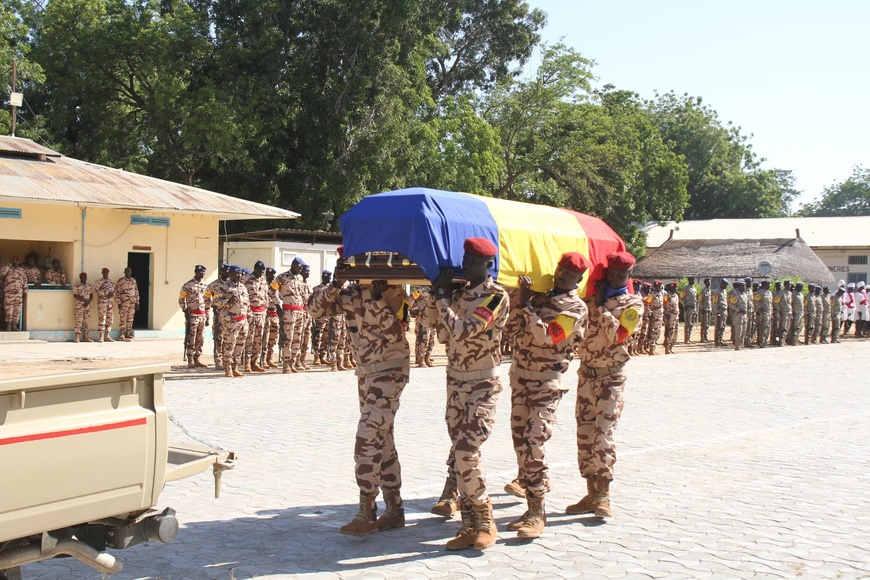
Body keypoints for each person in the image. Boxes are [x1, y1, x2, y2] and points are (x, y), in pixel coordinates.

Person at [422, 237, 509, 551]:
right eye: (466, 259)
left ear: (488, 265)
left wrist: (444, 298)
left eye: (475, 261)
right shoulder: (456, 294)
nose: (468, 265)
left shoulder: (497, 297)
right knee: (460, 457)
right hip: (455, 386)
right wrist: (435, 295)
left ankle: (486, 520)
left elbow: (463, 331)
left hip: (482, 387)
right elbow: (429, 322)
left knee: (466, 454)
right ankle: (469, 526)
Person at [310, 274, 411, 536]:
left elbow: (394, 333)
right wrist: (335, 284)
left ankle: (367, 510)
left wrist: (377, 300)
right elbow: (315, 311)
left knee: (367, 435)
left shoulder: (394, 292)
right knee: (382, 437)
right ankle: (394, 509)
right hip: (366, 373)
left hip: (390, 370)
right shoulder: (348, 293)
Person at [501, 252, 589, 539]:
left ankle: (538, 513)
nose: (563, 276)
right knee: (520, 444)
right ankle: (530, 506)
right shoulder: (538, 299)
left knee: (534, 443)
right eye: (561, 270)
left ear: (579, 279)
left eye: (569, 274)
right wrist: (521, 301)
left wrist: (527, 306)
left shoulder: (575, 309)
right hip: (521, 381)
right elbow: (510, 330)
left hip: (546, 385)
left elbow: (549, 337)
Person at [566, 251, 643, 519]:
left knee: (603, 435)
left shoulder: (633, 304)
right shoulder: (586, 299)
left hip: (612, 378)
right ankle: (590, 491)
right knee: (585, 434)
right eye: (611, 273)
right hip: (586, 375)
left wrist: (601, 307)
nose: (615, 277)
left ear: (628, 276)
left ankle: (604, 494)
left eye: (621, 275)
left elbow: (618, 335)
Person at [214, 265, 250, 378]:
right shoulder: (224, 287)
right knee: (229, 345)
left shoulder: (243, 287)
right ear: (230, 275)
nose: (238, 276)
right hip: (231, 322)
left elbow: (247, 303)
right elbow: (215, 301)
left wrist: (248, 316)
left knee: (240, 346)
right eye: (236, 274)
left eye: (240, 274)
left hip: (243, 321)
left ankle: (235, 367)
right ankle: (228, 368)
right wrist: (228, 301)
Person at [276, 257, 306, 373]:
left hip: (299, 311)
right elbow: (272, 290)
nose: (300, 270)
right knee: (288, 338)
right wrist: (277, 305)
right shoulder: (281, 277)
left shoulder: (299, 278)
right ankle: (286, 364)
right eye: (299, 268)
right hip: (289, 311)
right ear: (293, 265)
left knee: (297, 338)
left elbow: (302, 294)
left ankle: (293, 362)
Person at [179, 265, 210, 368]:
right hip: (192, 315)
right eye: (200, 272)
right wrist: (185, 310)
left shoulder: (206, 285)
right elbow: (181, 299)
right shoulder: (188, 285)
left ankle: (197, 358)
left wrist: (208, 316)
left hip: (202, 315)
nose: (202, 274)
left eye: (203, 272)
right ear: (195, 272)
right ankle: (190, 359)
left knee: (200, 338)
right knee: (191, 337)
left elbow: (208, 301)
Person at [244, 261, 268, 373]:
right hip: (251, 313)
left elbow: (266, 295)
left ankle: (255, 362)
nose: (262, 272)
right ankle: (247, 363)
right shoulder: (245, 279)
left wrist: (265, 308)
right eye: (260, 270)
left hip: (261, 313)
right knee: (250, 338)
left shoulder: (263, 280)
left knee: (259, 339)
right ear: (255, 268)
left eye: (263, 270)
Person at [205, 263, 230, 369]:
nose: (228, 272)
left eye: (229, 270)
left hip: (230, 315)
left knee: (228, 337)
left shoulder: (231, 284)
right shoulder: (213, 285)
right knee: (218, 338)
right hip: (219, 314)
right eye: (226, 270)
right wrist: (211, 306)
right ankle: (218, 360)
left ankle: (227, 359)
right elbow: (206, 297)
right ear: (221, 272)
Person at [311, 270, 333, 365]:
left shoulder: (331, 289)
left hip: (329, 316)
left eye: (329, 277)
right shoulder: (316, 289)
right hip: (320, 316)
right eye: (326, 277)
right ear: (322, 277)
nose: (327, 279)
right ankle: (316, 357)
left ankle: (322, 356)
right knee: (317, 336)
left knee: (326, 337)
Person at [263, 267, 281, 368]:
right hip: (266, 314)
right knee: (264, 338)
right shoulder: (263, 285)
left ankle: (269, 358)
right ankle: (263, 359)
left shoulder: (275, 286)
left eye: (274, 274)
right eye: (270, 274)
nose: (272, 276)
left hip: (275, 314)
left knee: (273, 338)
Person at [412, 286, 436, 367]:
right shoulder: (421, 291)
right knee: (423, 338)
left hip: (433, 318)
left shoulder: (437, 289)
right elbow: (410, 299)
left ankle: (427, 357)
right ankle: (421, 359)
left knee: (432, 339)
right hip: (423, 318)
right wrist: (416, 308)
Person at [3, 257, 28, 331]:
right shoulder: (8, 269)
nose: (16, 262)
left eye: (17, 261)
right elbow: (2, 273)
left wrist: (25, 290)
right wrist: (9, 264)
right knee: (9, 309)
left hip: (18, 293)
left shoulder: (21, 270)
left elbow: (25, 280)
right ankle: (8, 325)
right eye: (14, 260)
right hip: (9, 293)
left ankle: (14, 325)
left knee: (17, 309)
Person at [116, 267, 140, 340]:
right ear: (124, 272)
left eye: (129, 271)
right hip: (124, 302)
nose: (128, 273)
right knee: (123, 318)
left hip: (132, 302)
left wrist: (137, 302)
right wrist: (119, 302)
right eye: (127, 271)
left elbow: (136, 291)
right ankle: (122, 334)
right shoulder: (121, 281)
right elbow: (117, 292)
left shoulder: (133, 280)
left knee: (130, 318)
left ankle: (128, 333)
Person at [94, 268, 116, 342]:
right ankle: (101, 336)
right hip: (102, 303)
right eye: (105, 272)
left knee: (110, 319)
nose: (106, 274)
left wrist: (112, 294)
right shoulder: (99, 282)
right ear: (102, 273)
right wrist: (106, 293)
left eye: (107, 272)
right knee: (102, 318)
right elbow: (96, 291)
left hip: (110, 303)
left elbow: (114, 291)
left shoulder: (111, 282)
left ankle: (107, 335)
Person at [72, 272, 94, 342]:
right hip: (79, 306)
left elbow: (91, 295)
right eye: (83, 277)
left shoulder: (89, 286)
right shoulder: (77, 286)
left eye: (86, 277)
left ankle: (86, 337)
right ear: (80, 277)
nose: (85, 278)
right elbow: (75, 295)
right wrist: (84, 300)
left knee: (86, 322)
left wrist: (88, 302)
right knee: (79, 321)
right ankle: (77, 337)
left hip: (87, 306)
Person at [643, 280, 664, 355]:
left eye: (660, 286)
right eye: (658, 286)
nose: (659, 287)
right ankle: (651, 349)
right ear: (655, 287)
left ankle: (654, 348)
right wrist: (650, 313)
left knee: (658, 332)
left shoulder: (661, 294)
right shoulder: (652, 295)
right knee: (653, 331)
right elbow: (647, 303)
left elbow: (662, 304)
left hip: (660, 315)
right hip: (654, 315)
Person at [728, 280, 748, 350]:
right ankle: (737, 346)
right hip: (738, 315)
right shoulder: (736, 294)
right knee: (738, 331)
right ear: (740, 286)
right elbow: (731, 304)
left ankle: (742, 345)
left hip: (745, 315)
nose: (745, 287)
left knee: (744, 331)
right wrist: (738, 309)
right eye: (743, 286)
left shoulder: (744, 294)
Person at [663, 282, 680, 354]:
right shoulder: (667, 295)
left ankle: (671, 347)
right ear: (671, 288)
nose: (675, 288)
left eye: (676, 287)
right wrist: (665, 315)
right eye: (674, 287)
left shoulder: (676, 296)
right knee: (669, 332)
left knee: (675, 332)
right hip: (669, 317)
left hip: (675, 317)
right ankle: (667, 348)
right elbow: (663, 304)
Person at [755, 280, 772, 347]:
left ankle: (765, 342)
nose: (769, 286)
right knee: (762, 328)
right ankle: (761, 342)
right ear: (764, 285)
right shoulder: (759, 293)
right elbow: (755, 301)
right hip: (763, 313)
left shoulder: (769, 292)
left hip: (769, 312)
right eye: (768, 284)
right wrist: (759, 309)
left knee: (767, 327)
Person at [680, 276, 697, 343]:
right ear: (689, 280)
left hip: (693, 308)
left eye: (693, 280)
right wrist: (684, 306)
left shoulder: (694, 289)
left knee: (691, 324)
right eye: (692, 280)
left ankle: (689, 338)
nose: (693, 281)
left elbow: (695, 299)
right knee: (688, 323)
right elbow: (681, 298)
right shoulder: (686, 288)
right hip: (688, 308)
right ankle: (686, 339)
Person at [713, 279, 728, 347]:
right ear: (721, 284)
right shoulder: (717, 292)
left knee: (723, 326)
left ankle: (720, 339)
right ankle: (717, 341)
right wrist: (717, 312)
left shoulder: (724, 291)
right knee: (718, 326)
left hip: (724, 310)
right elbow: (715, 303)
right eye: (725, 284)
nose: (726, 286)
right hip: (719, 311)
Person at [698, 277, 712, 343]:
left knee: (707, 324)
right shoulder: (703, 291)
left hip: (709, 309)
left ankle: (706, 336)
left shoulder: (709, 290)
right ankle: (702, 338)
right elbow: (700, 300)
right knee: (704, 324)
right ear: (705, 283)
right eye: (708, 282)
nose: (710, 283)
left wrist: (711, 309)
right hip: (704, 309)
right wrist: (702, 308)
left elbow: (710, 301)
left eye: (710, 282)